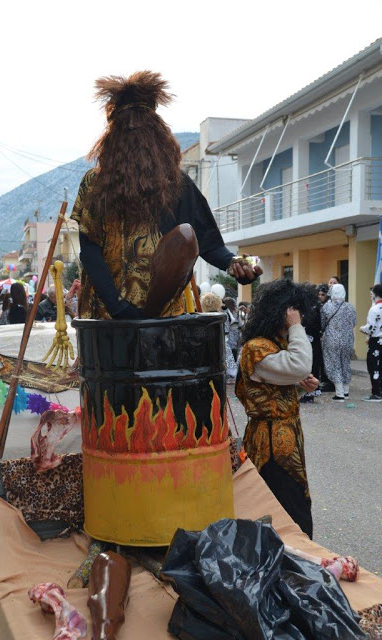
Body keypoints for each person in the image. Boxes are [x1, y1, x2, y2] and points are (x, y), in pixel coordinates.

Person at [69, 71, 261, 321]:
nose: (137, 139)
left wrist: (236, 262)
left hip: (163, 314)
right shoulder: (94, 184)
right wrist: (117, 305)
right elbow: (90, 250)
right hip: (107, 317)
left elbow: (208, 241)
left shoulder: (177, 183)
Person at [235, 279, 319, 538]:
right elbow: (300, 364)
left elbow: (285, 378)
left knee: (291, 507)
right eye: (296, 312)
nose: (300, 318)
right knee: (287, 510)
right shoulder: (257, 348)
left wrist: (298, 385)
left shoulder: (270, 345)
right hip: (271, 444)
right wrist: (296, 327)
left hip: (284, 438)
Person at [321, 283, 356, 401]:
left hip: (332, 340)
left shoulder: (327, 306)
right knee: (345, 363)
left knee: (334, 364)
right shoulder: (350, 307)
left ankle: (339, 393)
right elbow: (354, 322)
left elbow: (322, 323)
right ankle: (346, 392)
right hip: (348, 340)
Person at [359, 283, 382, 402]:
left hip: (376, 341)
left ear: (375, 294)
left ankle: (376, 393)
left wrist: (362, 328)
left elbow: (371, 328)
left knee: (373, 366)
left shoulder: (374, 309)